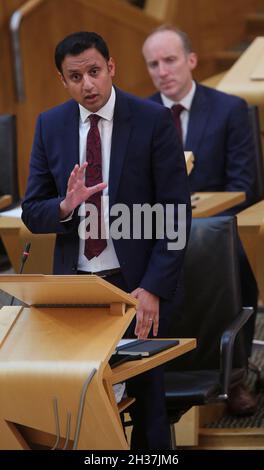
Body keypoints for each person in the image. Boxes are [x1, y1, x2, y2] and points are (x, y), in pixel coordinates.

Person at [22, 31, 192, 449]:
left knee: (148, 405)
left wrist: (153, 287)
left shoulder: (151, 119)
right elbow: (32, 211)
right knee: (82, 401)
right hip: (77, 287)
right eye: (75, 77)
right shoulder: (50, 124)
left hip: (137, 285)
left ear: (111, 67)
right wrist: (64, 206)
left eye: (95, 72)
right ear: (63, 81)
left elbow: (175, 212)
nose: (88, 85)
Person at [142, 25, 258, 416]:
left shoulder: (229, 109)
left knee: (217, 253)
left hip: (217, 228)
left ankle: (235, 375)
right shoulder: (137, 117)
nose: (163, 71)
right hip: (155, 230)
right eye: (153, 64)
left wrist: (195, 228)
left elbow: (244, 184)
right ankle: (152, 372)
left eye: (170, 60)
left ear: (191, 60)